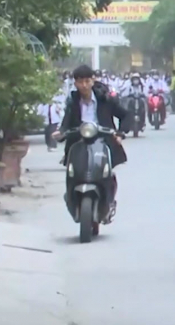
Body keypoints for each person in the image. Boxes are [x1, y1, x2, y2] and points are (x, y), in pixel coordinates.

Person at [52, 65, 129, 218]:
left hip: (103, 141)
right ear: (75, 83)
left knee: (107, 172)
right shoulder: (73, 101)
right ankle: (71, 197)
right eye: (80, 82)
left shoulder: (105, 99)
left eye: (87, 81)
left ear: (93, 81)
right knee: (72, 171)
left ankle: (109, 199)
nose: (84, 85)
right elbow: (67, 122)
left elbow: (125, 115)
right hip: (78, 141)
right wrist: (61, 132)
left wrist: (120, 134)